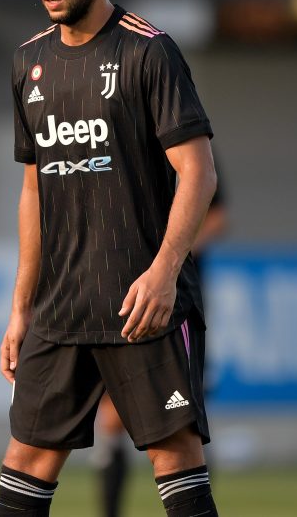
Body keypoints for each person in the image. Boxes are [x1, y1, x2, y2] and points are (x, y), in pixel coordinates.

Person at [0, 0, 220, 517]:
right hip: (60, 306)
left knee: (175, 458)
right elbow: (34, 191)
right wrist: (20, 308)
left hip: (139, 302)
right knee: (26, 463)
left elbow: (198, 172)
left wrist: (164, 272)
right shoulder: (26, 63)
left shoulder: (150, 53)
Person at [94, 175, 228, 517]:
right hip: (117, 296)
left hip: (174, 301)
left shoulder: (189, 148)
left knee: (184, 424)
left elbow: (216, 216)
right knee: (111, 417)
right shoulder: (119, 149)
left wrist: (167, 258)